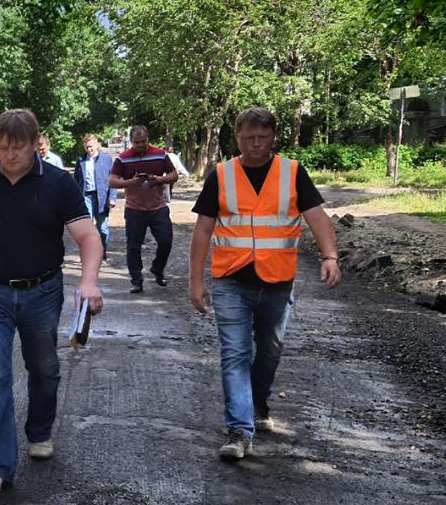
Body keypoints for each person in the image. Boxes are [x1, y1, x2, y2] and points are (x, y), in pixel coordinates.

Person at [0, 109, 104, 496]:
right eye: (2, 146)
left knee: (44, 368)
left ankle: (39, 430)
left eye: (16, 147)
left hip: (42, 291)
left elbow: (88, 237)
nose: (8, 154)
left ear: (36, 144)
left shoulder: (57, 182)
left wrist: (89, 282)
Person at [188, 107, 340, 460]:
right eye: (248, 138)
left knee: (270, 350)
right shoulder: (221, 175)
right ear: (237, 138)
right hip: (230, 280)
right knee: (235, 353)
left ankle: (258, 403)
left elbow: (316, 216)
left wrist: (330, 255)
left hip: (277, 280)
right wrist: (196, 281)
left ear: (273, 137)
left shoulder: (292, 172)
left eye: (262, 137)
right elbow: (203, 230)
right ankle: (239, 430)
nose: (255, 144)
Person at [109, 125, 177, 294]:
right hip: (134, 209)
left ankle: (157, 268)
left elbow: (174, 175)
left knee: (166, 240)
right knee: (133, 246)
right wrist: (130, 182)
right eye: (137, 142)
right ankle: (136, 280)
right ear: (131, 142)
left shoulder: (160, 154)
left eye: (143, 141)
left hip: (157, 207)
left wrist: (159, 180)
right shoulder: (123, 158)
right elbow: (112, 181)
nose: (140, 145)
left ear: (148, 138)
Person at [72, 134, 117, 258]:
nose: (89, 149)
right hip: (86, 196)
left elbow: (113, 179)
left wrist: (112, 197)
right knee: (87, 227)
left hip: (102, 197)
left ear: (97, 144)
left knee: (102, 228)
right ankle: (89, 254)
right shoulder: (81, 160)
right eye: (86, 147)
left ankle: (102, 251)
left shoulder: (106, 159)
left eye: (91, 146)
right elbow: (76, 181)